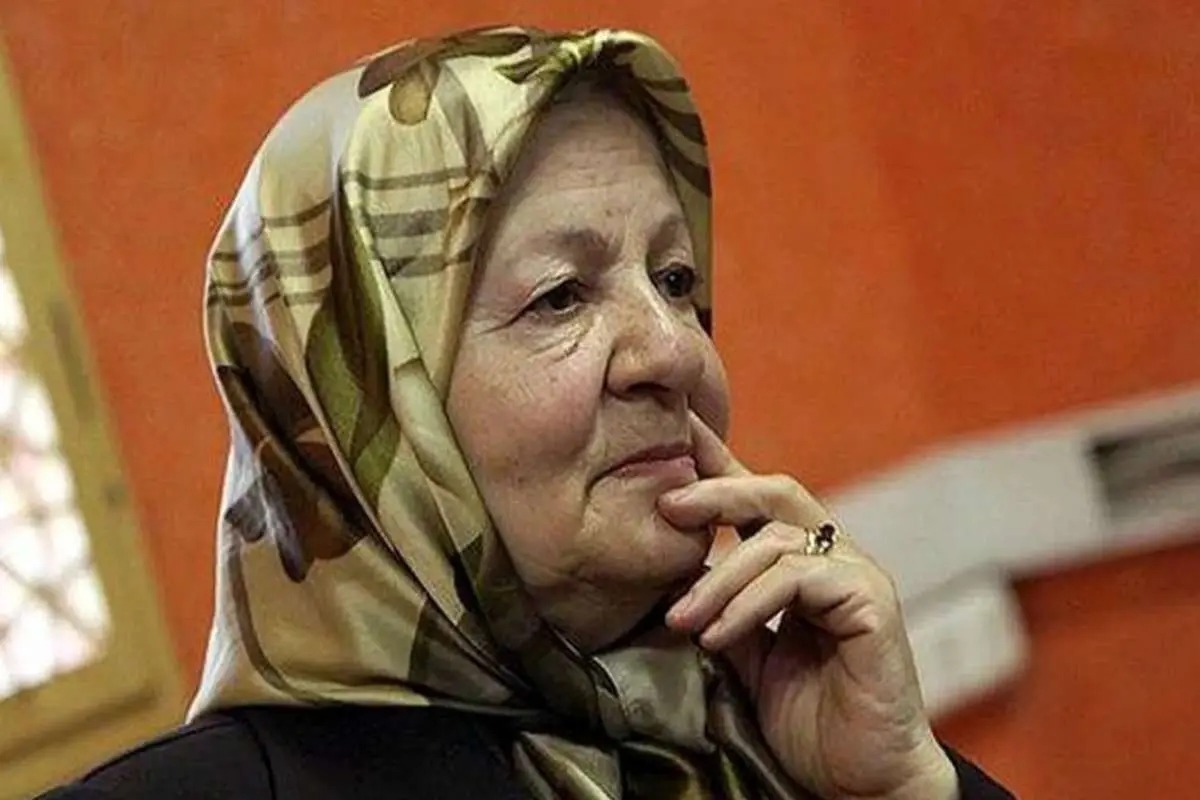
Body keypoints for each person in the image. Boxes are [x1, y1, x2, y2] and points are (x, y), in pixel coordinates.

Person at [42, 26, 1014, 799]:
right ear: (368, 401)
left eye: (676, 279)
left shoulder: (773, 740)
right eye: (561, 297)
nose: (676, 351)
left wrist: (908, 785)